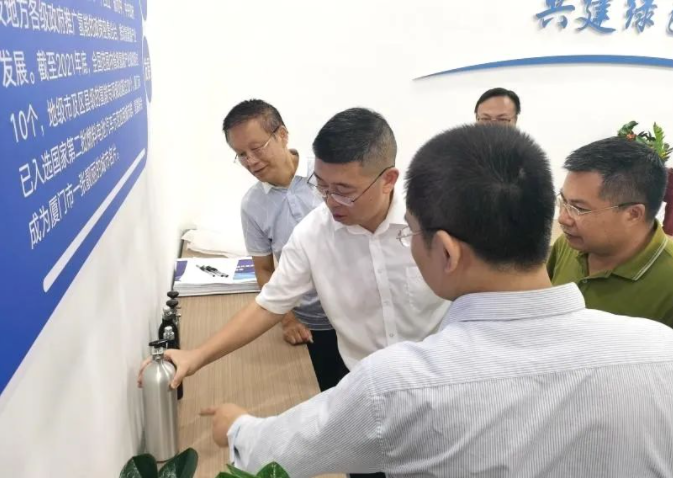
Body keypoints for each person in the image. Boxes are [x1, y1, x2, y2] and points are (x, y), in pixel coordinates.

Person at [201, 124, 673, 478]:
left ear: (446, 251)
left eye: (413, 234)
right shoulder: (660, 352)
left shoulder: (396, 385)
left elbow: (276, 451)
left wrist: (236, 425)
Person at [138, 107, 448, 391]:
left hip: (442, 379)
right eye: (322, 187)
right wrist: (197, 356)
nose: (330, 201)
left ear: (388, 180)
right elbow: (268, 305)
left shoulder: (436, 220)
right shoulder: (312, 235)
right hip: (365, 385)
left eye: (344, 191)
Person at [223, 99, 348, 391]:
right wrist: (288, 320)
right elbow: (265, 269)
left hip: (355, 316)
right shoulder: (252, 205)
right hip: (309, 324)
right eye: (241, 155)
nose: (251, 161)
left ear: (282, 135)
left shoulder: (328, 175)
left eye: (257, 148)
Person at [548, 137, 673, 326]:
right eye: (563, 201)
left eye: (579, 208)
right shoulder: (567, 245)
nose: (563, 218)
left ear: (633, 214)